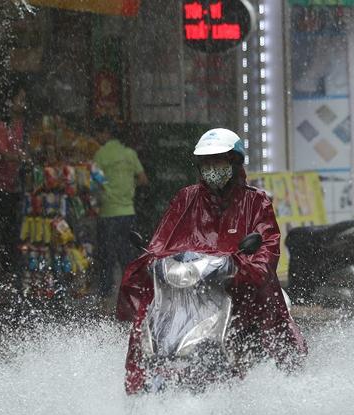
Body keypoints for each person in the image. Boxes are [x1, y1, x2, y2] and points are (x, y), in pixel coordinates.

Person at [117, 128, 308, 394]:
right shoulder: (186, 198)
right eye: (206, 163)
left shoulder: (255, 201)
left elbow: (267, 246)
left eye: (218, 161)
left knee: (267, 322)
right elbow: (163, 240)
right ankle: (139, 386)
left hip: (238, 290)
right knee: (147, 318)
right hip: (191, 289)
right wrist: (151, 259)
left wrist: (248, 267)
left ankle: (282, 383)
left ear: (234, 162)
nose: (211, 168)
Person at [93, 116, 148, 300]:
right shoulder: (130, 154)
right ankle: (131, 296)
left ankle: (106, 299)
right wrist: (128, 186)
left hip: (108, 212)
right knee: (127, 257)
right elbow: (143, 179)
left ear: (105, 133)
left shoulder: (100, 154)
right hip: (128, 213)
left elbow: (94, 179)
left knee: (107, 259)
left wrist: (108, 189)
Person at [0, 82, 28, 281]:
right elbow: (1, 152)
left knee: (15, 234)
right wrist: (21, 158)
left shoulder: (20, 126)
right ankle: (3, 274)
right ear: (9, 102)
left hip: (15, 187)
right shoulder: (0, 126)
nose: (24, 104)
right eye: (20, 99)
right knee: (3, 234)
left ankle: (13, 273)